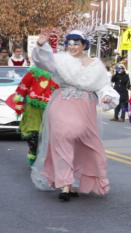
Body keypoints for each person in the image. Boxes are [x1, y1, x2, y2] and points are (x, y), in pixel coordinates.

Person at [31, 30, 119, 202]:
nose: (72, 47)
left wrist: (107, 96)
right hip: (62, 104)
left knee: (90, 147)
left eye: (76, 44)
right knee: (63, 141)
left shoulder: (95, 65)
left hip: (85, 108)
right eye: (69, 44)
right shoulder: (60, 61)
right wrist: (41, 45)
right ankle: (65, 185)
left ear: (84, 45)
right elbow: (43, 61)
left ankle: (78, 180)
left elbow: (103, 85)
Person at [12, 66, 59, 166]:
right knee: (32, 133)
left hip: (52, 107)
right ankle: (33, 152)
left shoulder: (58, 72)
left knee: (50, 134)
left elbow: (62, 90)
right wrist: (19, 103)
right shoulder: (33, 72)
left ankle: (47, 158)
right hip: (33, 107)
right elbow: (23, 86)